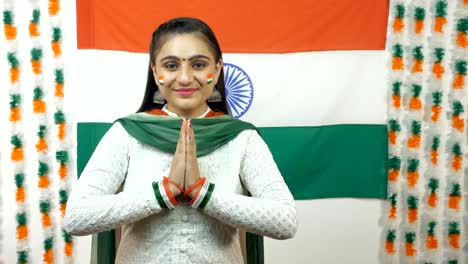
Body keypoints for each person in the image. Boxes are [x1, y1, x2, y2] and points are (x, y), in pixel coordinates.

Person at [64, 17, 298, 264]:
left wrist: (203, 194)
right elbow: (77, 217)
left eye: (198, 65)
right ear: (155, 71)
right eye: (171, 65)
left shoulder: (241, 138)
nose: (185, 78)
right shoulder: (128, 133)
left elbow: (285, 221)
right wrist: (162, 193)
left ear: (217, 69)